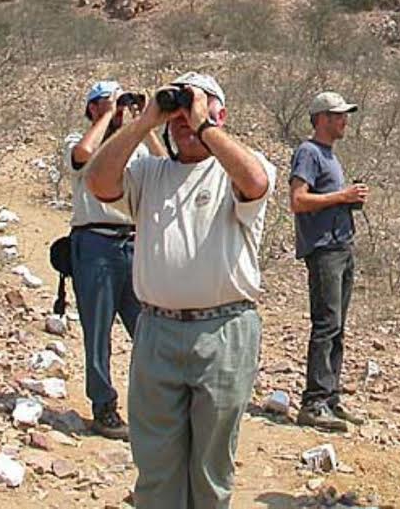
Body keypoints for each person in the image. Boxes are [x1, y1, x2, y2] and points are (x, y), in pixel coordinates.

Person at [86, 72, 276, 509]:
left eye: (199, 106)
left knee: (211, 471)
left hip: (224, 331)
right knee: (155, 469)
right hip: (156, 330)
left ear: (221, 114)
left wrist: (204, 124)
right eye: (180, 113)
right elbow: (98, 181)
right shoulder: (151, 172)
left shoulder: (241, 166)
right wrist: (145, 120)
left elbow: (256, 184)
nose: (185, 121)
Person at [64, 80, 165, 440]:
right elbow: (82, 156)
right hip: (94, 243)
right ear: (93, 107)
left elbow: (164, 166)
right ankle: (103, 406)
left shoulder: (133, 146)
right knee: (98, 331)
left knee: (148, 329)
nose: (120, 109)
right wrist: (106, 116)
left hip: (133, 243)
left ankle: (156, 404)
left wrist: (146, 121)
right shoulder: (81, 139)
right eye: (109, 103)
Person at [289, 91, 367, 432]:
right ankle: (314, 401)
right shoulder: (308, 152)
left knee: (337, 326)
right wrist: (342, 196)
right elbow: (298, 200)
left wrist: (346, 202)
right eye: (338, 115)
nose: (344, 120)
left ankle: (330, 397)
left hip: (341, 247)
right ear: (321, 118)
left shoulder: (330, 156)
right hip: (324, 250)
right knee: (326, 324)